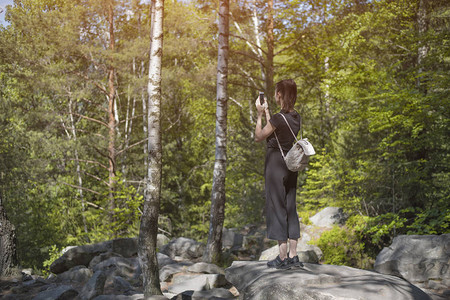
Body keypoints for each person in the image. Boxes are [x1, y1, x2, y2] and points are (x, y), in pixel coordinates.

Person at [254, 79, 303, 269]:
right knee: (290, 206)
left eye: (276, 92)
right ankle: (293, 255)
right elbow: (278, 128)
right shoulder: (295, 117)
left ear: (280, 95)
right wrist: (267, 112)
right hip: (291, 164)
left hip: (275, 165)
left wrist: (259, 115)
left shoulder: (278, 120)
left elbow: (260, 136)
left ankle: (281, 257)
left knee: (277, 207)